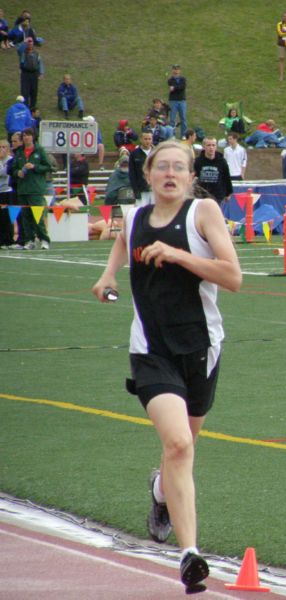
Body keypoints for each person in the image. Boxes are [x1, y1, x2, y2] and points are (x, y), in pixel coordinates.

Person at [91, 140, 241, 594]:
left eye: (180, 167)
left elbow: (233, 277)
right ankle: (190, 554)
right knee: (178, 444)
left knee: (185, 444)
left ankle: (159, 492)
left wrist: (177, 255)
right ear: (150, 174)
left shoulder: (203, 214)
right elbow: (122, 240)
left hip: (200, 349)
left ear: (192, 176)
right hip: (151, 350)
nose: (171, 173)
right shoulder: (135, 216)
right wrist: (108, 274)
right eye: (163, 167)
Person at [12, 127, 51, 250]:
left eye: (28, 135)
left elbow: (48, 166)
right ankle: (30, 240)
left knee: (37, 216)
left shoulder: (39, 150)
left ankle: (44, 239)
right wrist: (18, 172)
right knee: (26, 216)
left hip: (35, 188)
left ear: (33, 136)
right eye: (24, 135)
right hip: (23, 189)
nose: (26, 137)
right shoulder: (19, 152)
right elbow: (13, 169)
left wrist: (35, 166)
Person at [194, 137, 233, 204]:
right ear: (204, 147)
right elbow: (193, 177)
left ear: (216, 147)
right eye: (208, 145)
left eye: (213, 145)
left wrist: (228, 193)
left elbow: (227, 177)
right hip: (202, 195)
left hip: (217, 195)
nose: (211, 147)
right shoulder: (198, 161)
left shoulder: (222, 161)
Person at [129, 131, 154, 206]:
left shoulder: (156, 152)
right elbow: (132, 173)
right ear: (141, 139)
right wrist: (135, 190)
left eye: (149, 139)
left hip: (155, 189)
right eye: (145, 139)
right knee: (141, 212)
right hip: (141, 190)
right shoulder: (134, 154)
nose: (147, 141)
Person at [18, 37, 43, 109]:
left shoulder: (36, 53)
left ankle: (32, 108)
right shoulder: (23, 52)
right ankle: (25, 108)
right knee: (24, 92)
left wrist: (41, 72)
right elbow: (19, 50)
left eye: (31, 42)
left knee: (34, 92)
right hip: (25, 74)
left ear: (33, 44)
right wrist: (24, 42)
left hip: (34, 74)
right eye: (28, 43)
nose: (30, 44)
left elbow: (40, 63)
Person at [0, 139, 15, 249]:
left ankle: (8, 240)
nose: (1, 149)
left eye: (4, 147)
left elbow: (5, 173)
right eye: (0, 147)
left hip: (8, 191)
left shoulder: (11, 160)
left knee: (7, 217)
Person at [167, 65, 187, 138]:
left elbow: (182, 87)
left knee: (183, 118)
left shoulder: (183, 79)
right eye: (174, 69)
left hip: (182, 101)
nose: (176, 71)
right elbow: (175, 87)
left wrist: (174, 87)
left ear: (180, 71)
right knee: (172, 119)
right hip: (173, 101)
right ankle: (172, 135)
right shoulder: (170, 80)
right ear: (172, 71)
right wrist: (176, 87)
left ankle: (183, 135)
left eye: (177, 69)